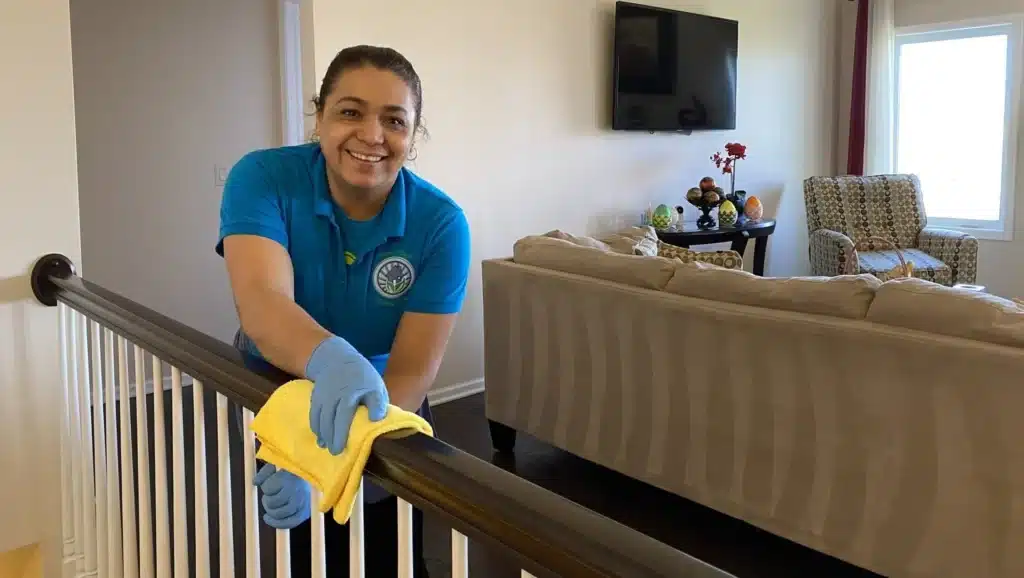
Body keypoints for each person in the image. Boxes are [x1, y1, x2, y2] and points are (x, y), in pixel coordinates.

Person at [216, 45, 470, 577]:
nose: (372, 135)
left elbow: (411, 371)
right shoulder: (262, 178)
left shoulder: (442, 225)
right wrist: (327, 368)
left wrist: (330, 457)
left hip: (385, 404)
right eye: (351, 111)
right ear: (320, 117)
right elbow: (262, 300)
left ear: (414, 135)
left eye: (394, 120)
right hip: (280, 387)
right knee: (302, 551)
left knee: (388, 550)